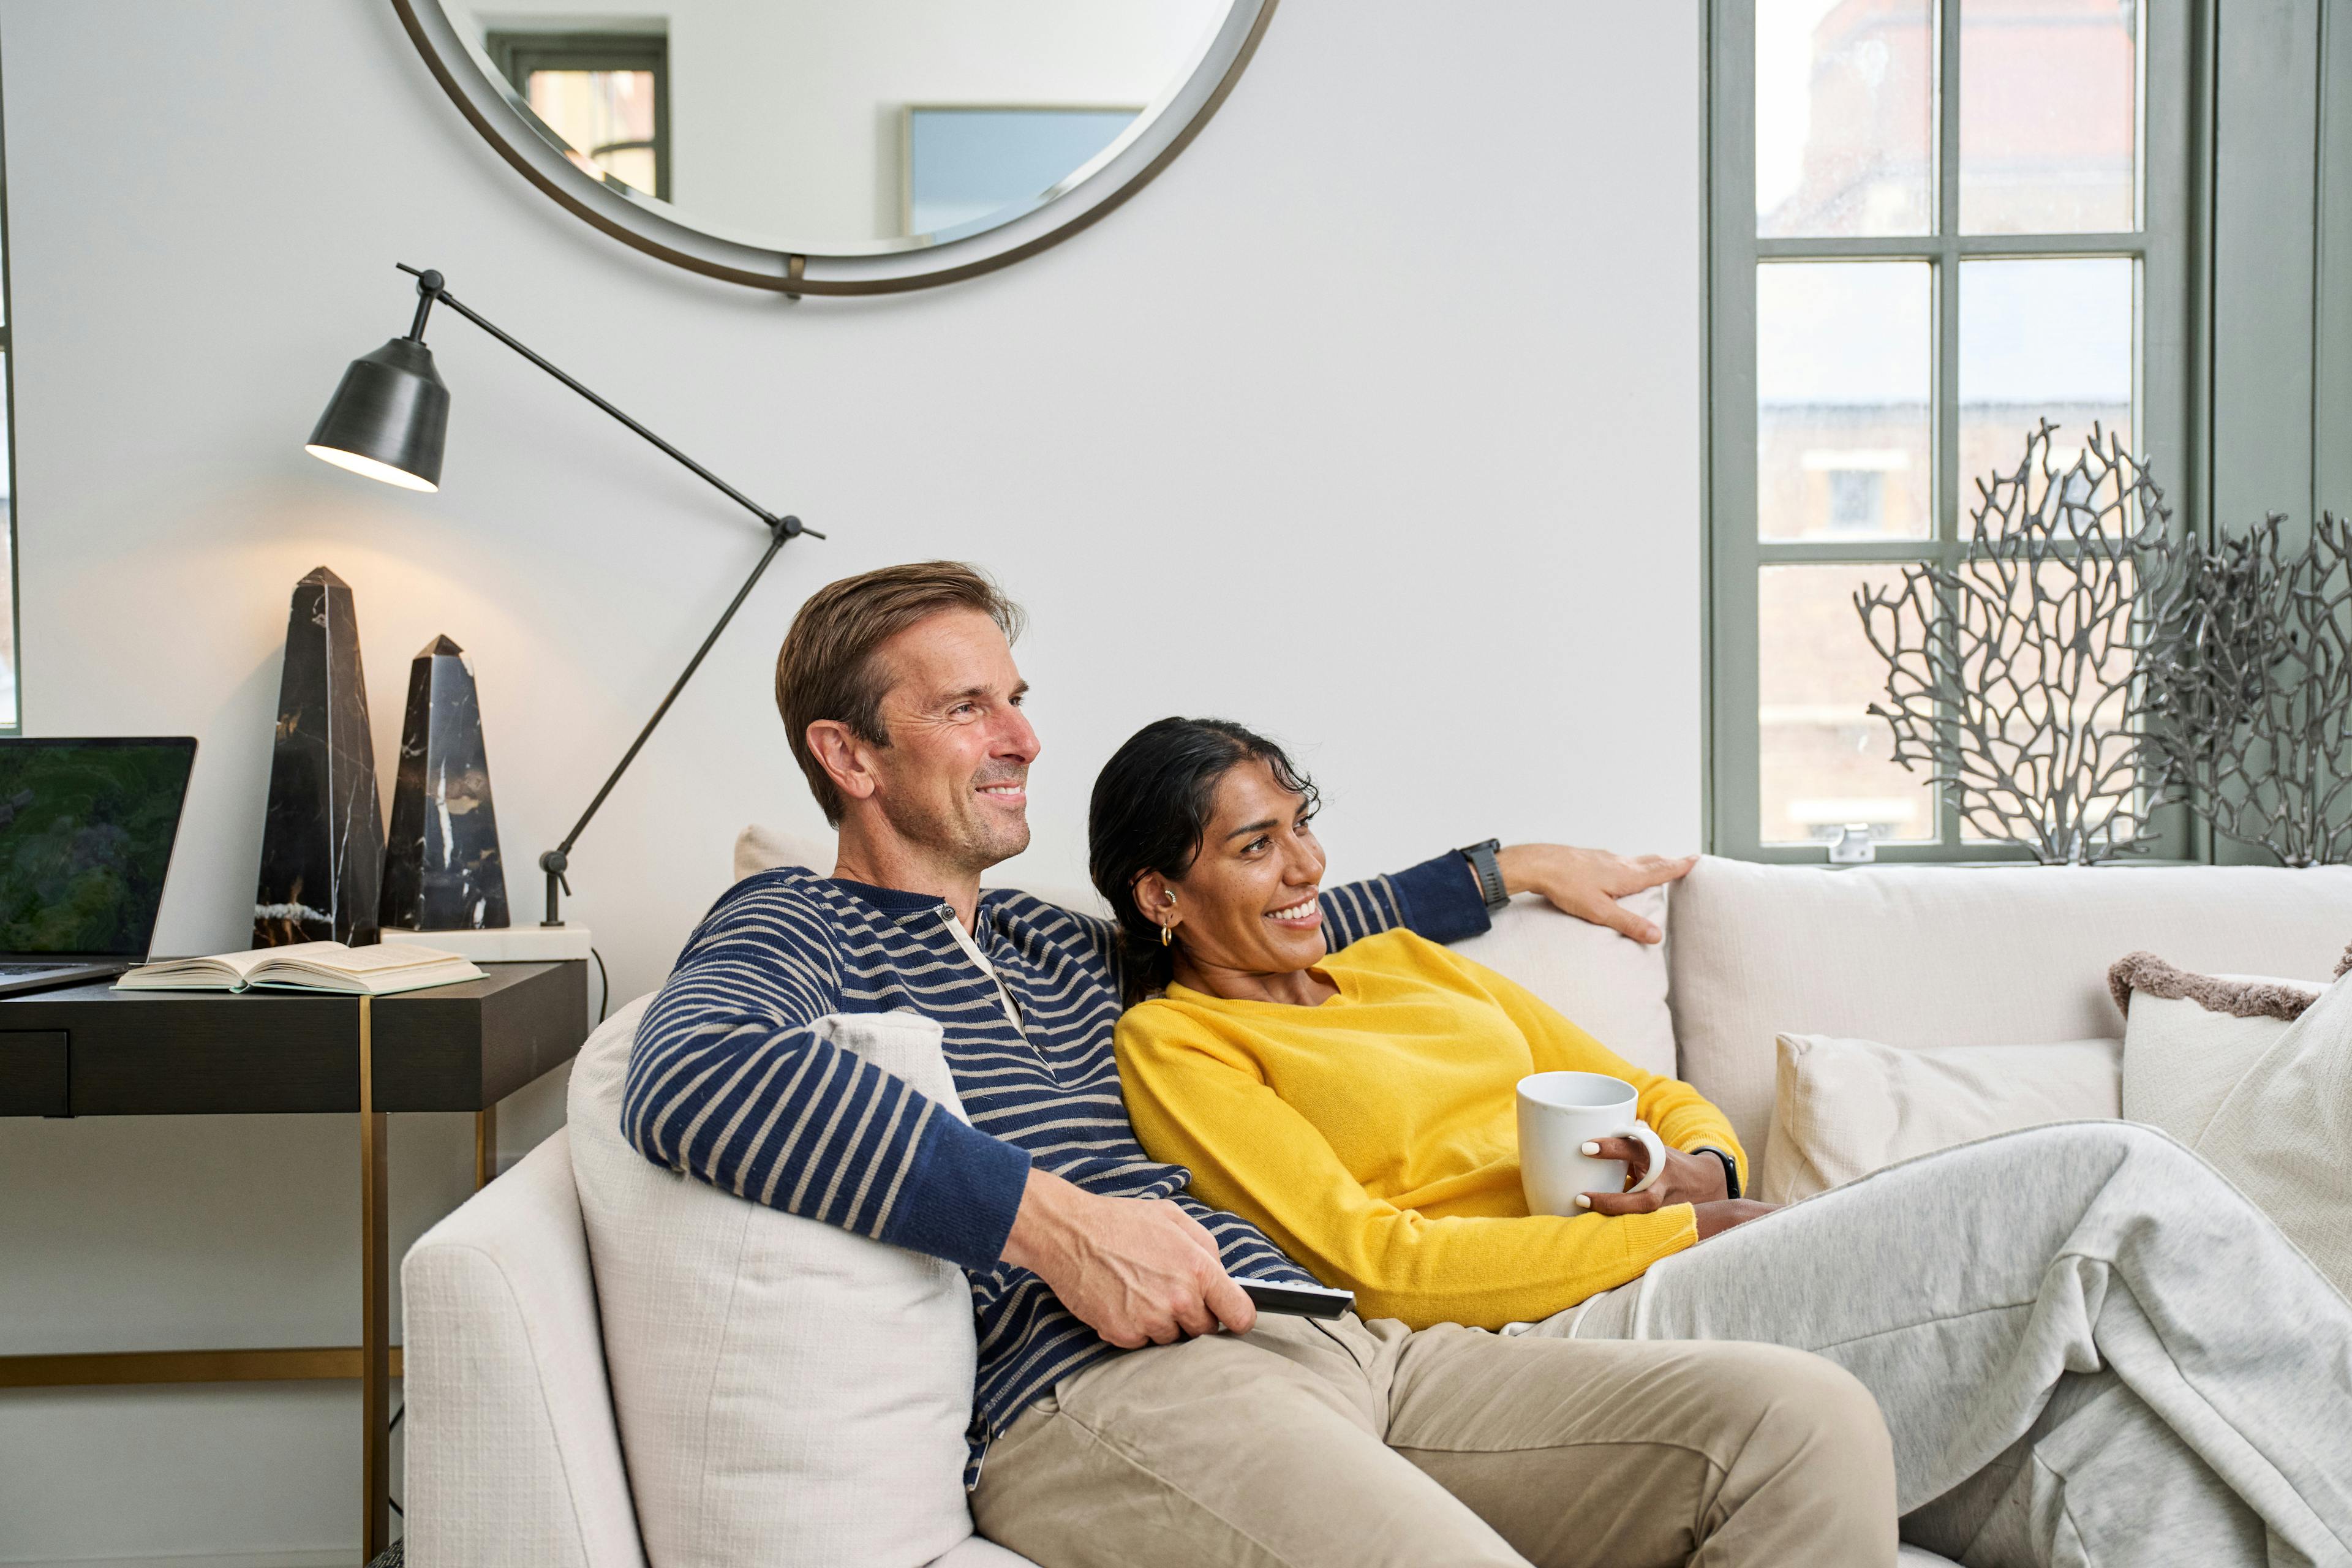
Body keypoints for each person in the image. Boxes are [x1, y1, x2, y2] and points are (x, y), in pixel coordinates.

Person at [630, 560, 1899, 1568]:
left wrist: (1499, 868)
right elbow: (693, 1074)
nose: (1022, 736)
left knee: (1802, 1428)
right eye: (968, 708)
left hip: (1343, 1345)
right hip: (1109, 1393)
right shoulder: (793, 922)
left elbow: (1269, 917)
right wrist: (1062, 1229)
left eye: (1017, 697)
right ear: (850, 756)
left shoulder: (1052, 945)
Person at [1096, 714, 2352, 1568]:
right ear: (1162, 896)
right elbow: (1378, 1262)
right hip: (1542, 1337)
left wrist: (1707, 1166)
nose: (1306, 863)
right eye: (1255, 846)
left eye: (1301, 822)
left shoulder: (1406, 964)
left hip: (1689, 1253)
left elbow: (1649, 1088)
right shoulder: (1182, 1046)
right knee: (2115, 1176)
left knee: (2118, 1459)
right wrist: (1688, 1230)